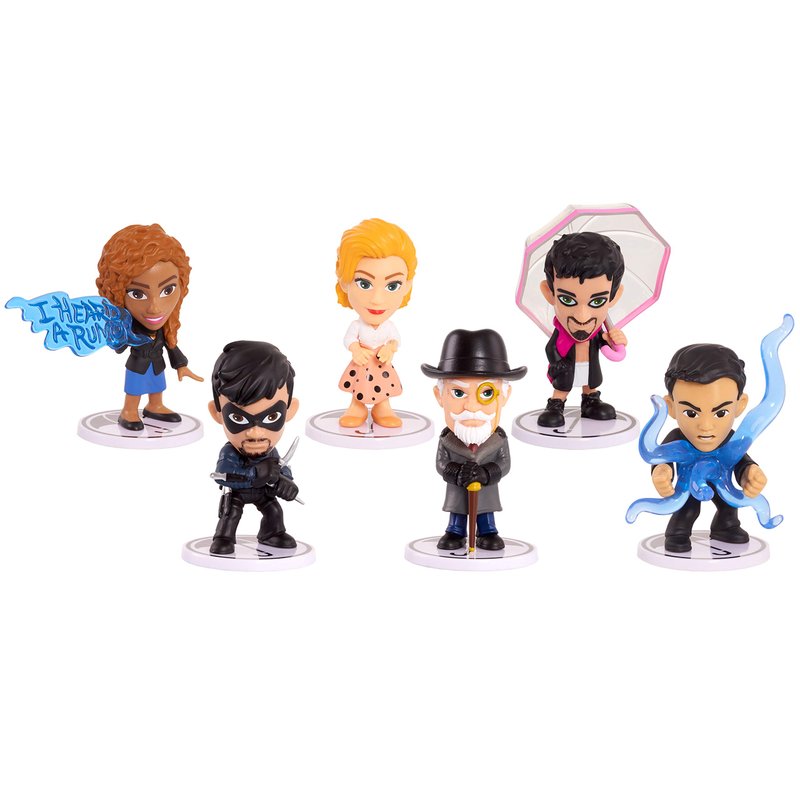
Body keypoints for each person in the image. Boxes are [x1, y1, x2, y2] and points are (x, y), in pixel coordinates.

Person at [652, 343, 767, 553]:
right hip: (688, 486)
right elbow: (662, 457)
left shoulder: (731, 440)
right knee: (687, 509)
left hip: (723, 484)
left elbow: (741, 460)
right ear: (671, 407)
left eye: (721, 413)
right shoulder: (677, 438)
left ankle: (726, 525)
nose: (706, 426)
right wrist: (662, 471)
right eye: (691, 413)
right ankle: (678, 532)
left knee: (729, 505)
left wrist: (749, 472)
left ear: (740, 405)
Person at [421, 329, 527, 551]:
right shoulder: (447, 439)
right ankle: (455, 530)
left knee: (485, 510)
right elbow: (440, 464)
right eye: (458, 393)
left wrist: (486, 473)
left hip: (486, 488)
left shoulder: (498, 439)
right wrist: (456, 472)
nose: (471, 406)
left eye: (486, 394)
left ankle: (487, 530)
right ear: (440, 396)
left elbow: (504, 464)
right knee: (457, 510)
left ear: (504, 396)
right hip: (457, 487)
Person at [96, 223, 203, 430]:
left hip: (157, 363)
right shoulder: (129, 326)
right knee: (134, 389)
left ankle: (155, 405)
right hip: (138, 365)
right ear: (117, 294)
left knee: (157, 386)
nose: (155, 308)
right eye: (137, 294)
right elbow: (118, 347)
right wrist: (115, 333)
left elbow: (171, 345)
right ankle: (129, 411)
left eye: (168, 290)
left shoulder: (164, 328)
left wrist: (181, 365)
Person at [207, 341, 301, 556]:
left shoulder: (271, 453)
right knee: (230, 514)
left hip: (263, 493)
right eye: (239, 418)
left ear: (290, 411)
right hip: (237, 494)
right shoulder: (229, 453)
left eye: (271, 417)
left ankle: (271, 533)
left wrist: (285, 482)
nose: (255, 432)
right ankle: (223, 537)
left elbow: (281, 468)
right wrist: (255, 474)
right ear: (217, 414)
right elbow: (222, 475)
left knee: (274, 510)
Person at [536, 231, 627, 427]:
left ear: (614, 296)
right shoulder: (561, 333)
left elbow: (608, 347)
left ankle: (590, 401)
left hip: (590, 366)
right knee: (563, 386)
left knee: (590, 382)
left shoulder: (598, 332)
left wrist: (613, 340)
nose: (582, 316)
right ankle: (556, 404)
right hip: (566, 368)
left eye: (597, 301)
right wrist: (558, 364)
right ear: (549, 293)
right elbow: (550, 348)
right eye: (567, 300)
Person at [335, 218, 417, 428]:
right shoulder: (357, 325)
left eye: (392, 285)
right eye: (364, 283)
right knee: (358, 388)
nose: (377, 300)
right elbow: (349, 339)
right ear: (344, 281)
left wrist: (390, 348)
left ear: (406, 286)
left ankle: (383, 408)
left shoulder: (388, 327)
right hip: (362, 363)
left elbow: (395, 340)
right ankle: (357, 408)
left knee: (383, 390)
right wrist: (355, 349)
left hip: (381, 364)